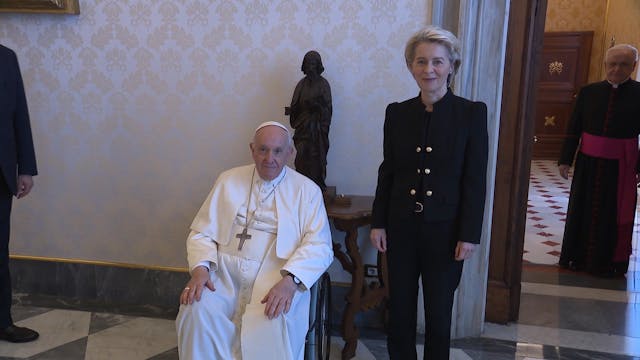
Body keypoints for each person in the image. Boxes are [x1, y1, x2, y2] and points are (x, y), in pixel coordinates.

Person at [369, 26, 488, 360]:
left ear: (452, 66)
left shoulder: (471, 113)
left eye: (438, 61)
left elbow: (475, 179)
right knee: (400, 311)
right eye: (421, 62)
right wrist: (379, 222)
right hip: (401, 227)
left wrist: (469, 234)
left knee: (438, 314)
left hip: (447, 232)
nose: (429, 69)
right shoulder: (397, 112)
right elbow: (388, 171)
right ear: (411, 67)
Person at [175, 121, 334, 360]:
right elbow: (202, 233)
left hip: (276, 277)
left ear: (290, 153)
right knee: (195, 309)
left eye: (278, 151)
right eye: (263, 149)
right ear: (252, 149)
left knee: (271, 319)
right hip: (223, 275)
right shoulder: (228, 180)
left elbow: (320, 246)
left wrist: (290, 282)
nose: (269, 158)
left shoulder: (307, 191)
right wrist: (200, 270)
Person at [558, 44, 640, 277]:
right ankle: (575, 257)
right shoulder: (588, 92)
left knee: (612, 216)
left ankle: (610, 263)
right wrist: (565, 159)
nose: (616, 69)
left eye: (623, 64)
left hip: (621, 168)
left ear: (633, 66)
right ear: (605, 64)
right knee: (580, 209)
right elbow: (574, 127)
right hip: (587, 165)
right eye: (612, 63)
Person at [0, 44, 39, 343]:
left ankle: (2, 322)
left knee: (0, 253)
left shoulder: (6, 57)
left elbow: (18, 114)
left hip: (0, 174)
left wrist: (25, 167)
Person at [288, 50, 332, 192]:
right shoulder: (301, 85)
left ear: (318, 65)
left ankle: (316, 186)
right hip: (303, 129)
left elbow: (328, 108)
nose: (310, 66)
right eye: (307, 63)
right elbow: (295, 105)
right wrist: (292, 110)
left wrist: (317, 108)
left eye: (313, 63)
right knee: (301, 157)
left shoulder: (324, 84)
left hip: (317, 130)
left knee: (316, 158)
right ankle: (301, 187)